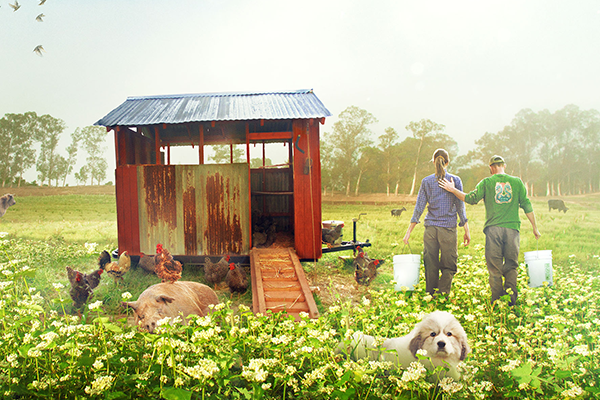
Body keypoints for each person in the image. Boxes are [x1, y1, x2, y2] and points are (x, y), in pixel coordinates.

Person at [439, 155, 541, 306]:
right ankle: (511, 303)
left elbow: (471, 198)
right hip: (512, 230)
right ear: (503, 166)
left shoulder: (487, 182)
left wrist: (453, 189)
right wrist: (535, 227)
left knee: (494, 268)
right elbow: (527, 205)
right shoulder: (517, 182)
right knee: (511, 265)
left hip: (493, 231)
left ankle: (496, 303)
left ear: (491, 168)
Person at [403, 149, 470, 295]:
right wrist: (466, 230)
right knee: (449, 266)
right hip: (448, 230)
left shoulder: (426, 181)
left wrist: (408, 232)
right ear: (448, 162)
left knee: (430, 265)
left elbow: (419, 208)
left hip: (431, 230)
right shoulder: (455, 180)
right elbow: (460, 207)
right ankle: (442, 295)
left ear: (434, 161)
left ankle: (430, 296)